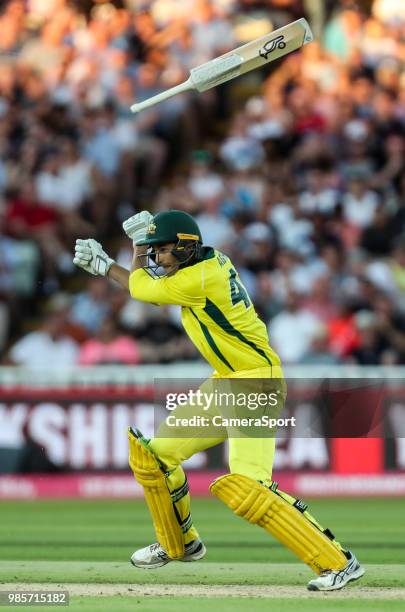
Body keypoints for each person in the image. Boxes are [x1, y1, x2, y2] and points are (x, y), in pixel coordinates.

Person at [73, 209, 365, 591]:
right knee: (154, 457)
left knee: (249, 487)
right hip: (227, 382)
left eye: (162, 250)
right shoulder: (201, 265)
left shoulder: (199, 277)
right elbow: (151, 289)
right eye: (155, 252)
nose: (158, 259)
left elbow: (142, 289)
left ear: (185, 247)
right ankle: (180, 544)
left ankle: (338, 562)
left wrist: (122, 256)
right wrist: (133, 254)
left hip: (256, 385)